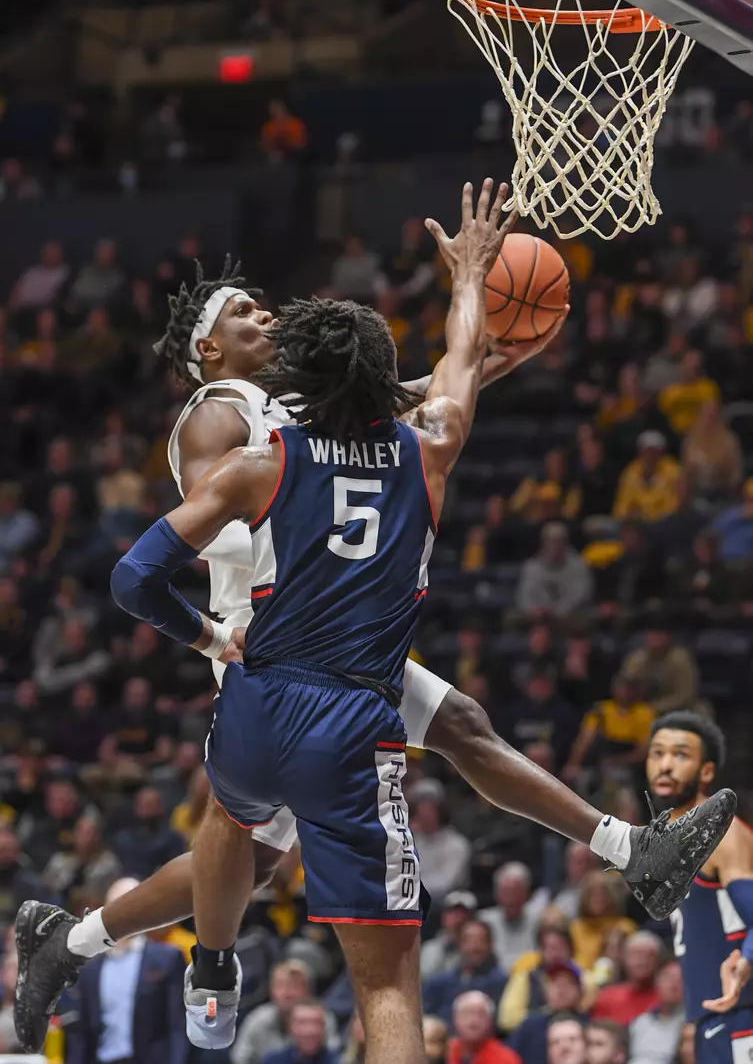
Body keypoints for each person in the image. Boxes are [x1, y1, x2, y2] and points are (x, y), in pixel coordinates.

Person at [15, 191, 734, 1051]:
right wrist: (213, 632)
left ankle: (72, 939)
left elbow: (418, 397)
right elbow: (232, 513)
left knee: (380, 777)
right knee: (253, 841)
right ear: (209, 348)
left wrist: (498, 349)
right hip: (266, 633)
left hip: (333, 636)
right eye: (243, 311)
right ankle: (200, 958)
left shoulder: (303, 415)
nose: (265, 313)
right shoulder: (224, 412)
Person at [645, 712, 753, 1064]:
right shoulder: (664, 840)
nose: (665, 766)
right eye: (657, 753)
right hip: (712, 1016)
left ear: (706, 771)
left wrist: (746, 962)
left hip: (742, 1012)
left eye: (680, 755)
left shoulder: (723, 833)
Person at [65, 878, 189, 1064]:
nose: (127, 913)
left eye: (134, 904)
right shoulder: (91, 969)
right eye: (119, 905)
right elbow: (83, 1034)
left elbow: (178, 1025)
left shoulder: (167, 958)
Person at [232, 959, 338, 1064]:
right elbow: (241, 1057)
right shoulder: (258, 1019)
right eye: (280, 986)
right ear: (271, 990)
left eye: (294, 986)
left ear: (308, 991)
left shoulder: (321, 1018)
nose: (287, 993)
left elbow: (334, 1054)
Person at [424, 920, 507, 1023]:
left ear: (490, 945)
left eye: (481, 941)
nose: (474, 947)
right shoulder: (439, 982)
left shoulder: (501, 982)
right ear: (460, 944)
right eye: (468, 941)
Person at [479, 862, 550, 973]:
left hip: (529, 979)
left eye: (515, 891)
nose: (510, 897)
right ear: (496, 894)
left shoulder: (540, 920)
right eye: (506, 891)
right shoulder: (485, 921)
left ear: (527, 893)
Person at [590, 932, 663, 1024]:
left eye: (649, 956)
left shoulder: (667, 998)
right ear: (625, 958)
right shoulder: (606, 998)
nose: (642, 962)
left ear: (658, 961)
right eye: (636, 955)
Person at [629, 960, 685, 1064]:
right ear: (656, 982)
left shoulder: (690, 1025)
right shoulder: (639, 1022)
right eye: (668, 978)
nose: (673, 985)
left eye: (680, 979)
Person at [447, 991, 521, 1064]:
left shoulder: (506, 1059)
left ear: (491, 1021)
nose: (473, 1020)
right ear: (455, 1019)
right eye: (467, 1013)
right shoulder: (444, 1052)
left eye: (481, 1014)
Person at [421, 890, 479, 979]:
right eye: (453, 913)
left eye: (464, 914)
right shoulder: (429, 949)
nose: (459, 919)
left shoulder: (477, 951)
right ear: (443, 917)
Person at [260, 1002, 338, 1064]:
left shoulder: (338, 1060)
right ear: (290, 1027)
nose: (309, 1030)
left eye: (316, 1022)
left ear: (324, 1027)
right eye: (302, 1023)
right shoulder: (272, 1060)